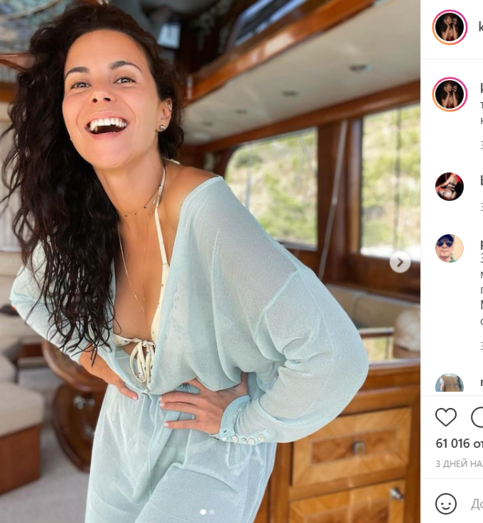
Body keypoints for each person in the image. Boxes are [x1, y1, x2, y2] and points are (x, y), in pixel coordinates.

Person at [2, 4, 369, 522]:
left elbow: (335, 356)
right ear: (65, 117)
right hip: (123, 433)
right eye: (79, 83)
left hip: (208, 447)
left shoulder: (204, 208)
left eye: (123, 78)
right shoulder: (85, 217)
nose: (99, 94)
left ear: (163, 112)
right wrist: (94, 360)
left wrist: (244, 420)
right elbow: (29, 294)